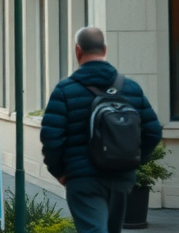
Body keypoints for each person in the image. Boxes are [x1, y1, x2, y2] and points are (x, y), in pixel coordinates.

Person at [40, 27, 162, 233]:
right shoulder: (130, 87)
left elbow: (51, 137)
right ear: (105, 49)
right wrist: (131, 162)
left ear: (78, 51)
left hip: (83, 179)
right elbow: (153, 132)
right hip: (121, 178)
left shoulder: (65, 90)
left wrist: (60, 172)